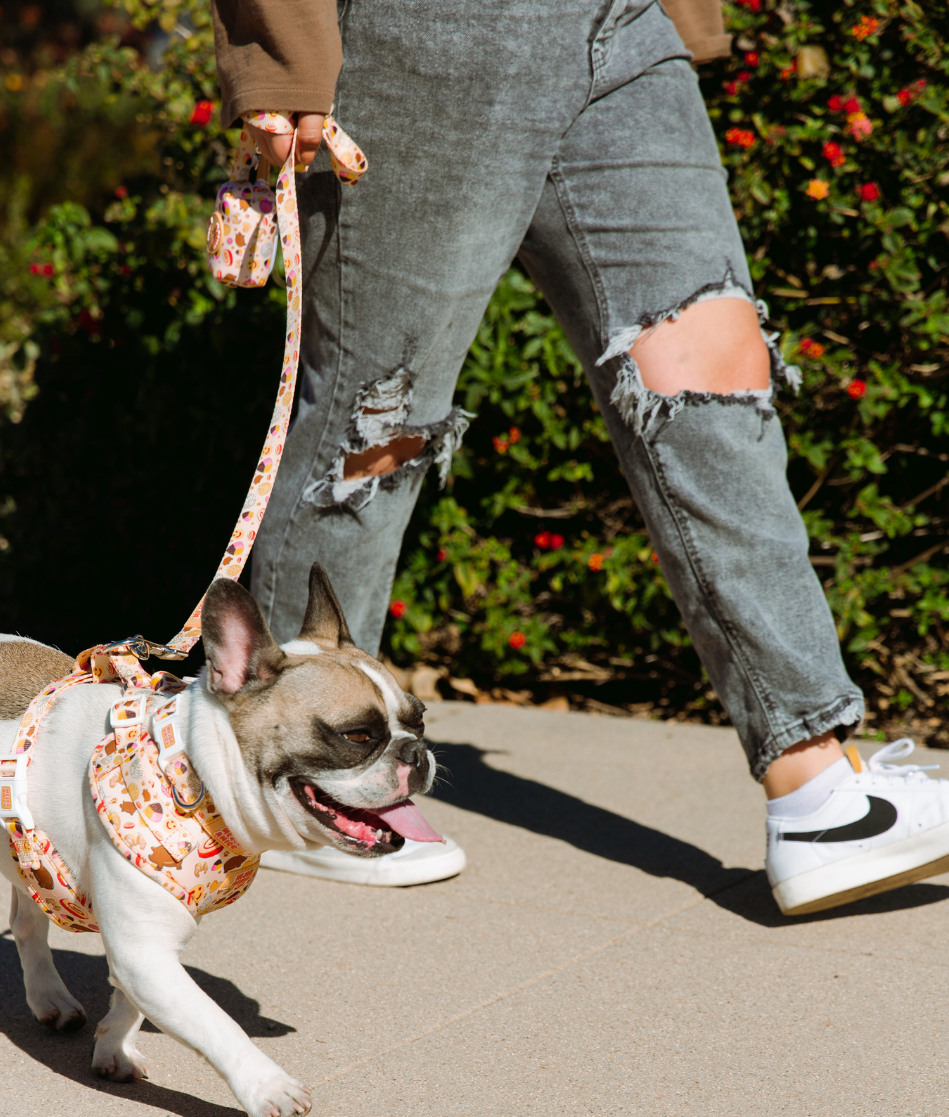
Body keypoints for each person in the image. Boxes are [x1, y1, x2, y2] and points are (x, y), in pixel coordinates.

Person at [209, 0, 949, 912]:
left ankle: (821, 793)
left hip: (623, 21)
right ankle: (299, 785)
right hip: (431, 35)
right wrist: (279, 52)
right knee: (382, 421)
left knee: (708, 379)